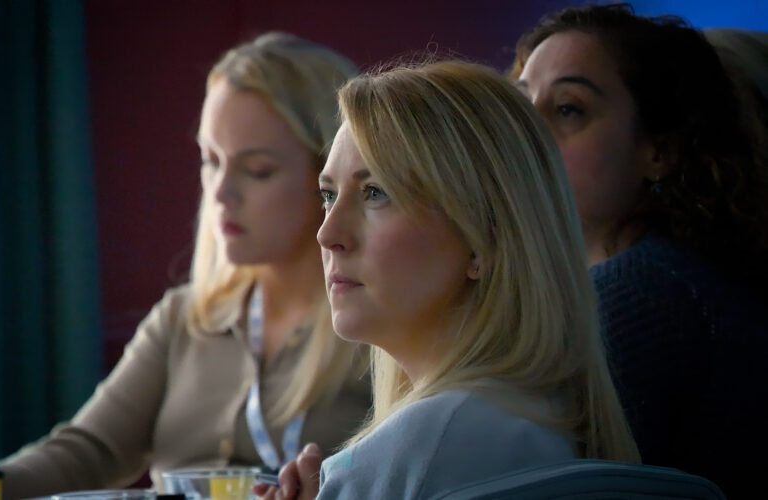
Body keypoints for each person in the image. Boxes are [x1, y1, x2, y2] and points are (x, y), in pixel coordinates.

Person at [0, 33, 370, 499]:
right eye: (210, 161)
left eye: (257, 170)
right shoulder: (185, 319)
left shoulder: (374, 328)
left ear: (328, 178)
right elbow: (89, 451)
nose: (220, 193)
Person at [256, 59, 639, 500]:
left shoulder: (420, 450)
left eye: (375, 192)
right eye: (328, 195)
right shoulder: (554, 421)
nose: (327, 234)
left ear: (483, 240)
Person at [512, 4, 768, 496]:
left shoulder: (638, 295)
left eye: (568, 109)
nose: (527, 134)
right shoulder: (668, 278)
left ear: (660, 152)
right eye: (522, 107)